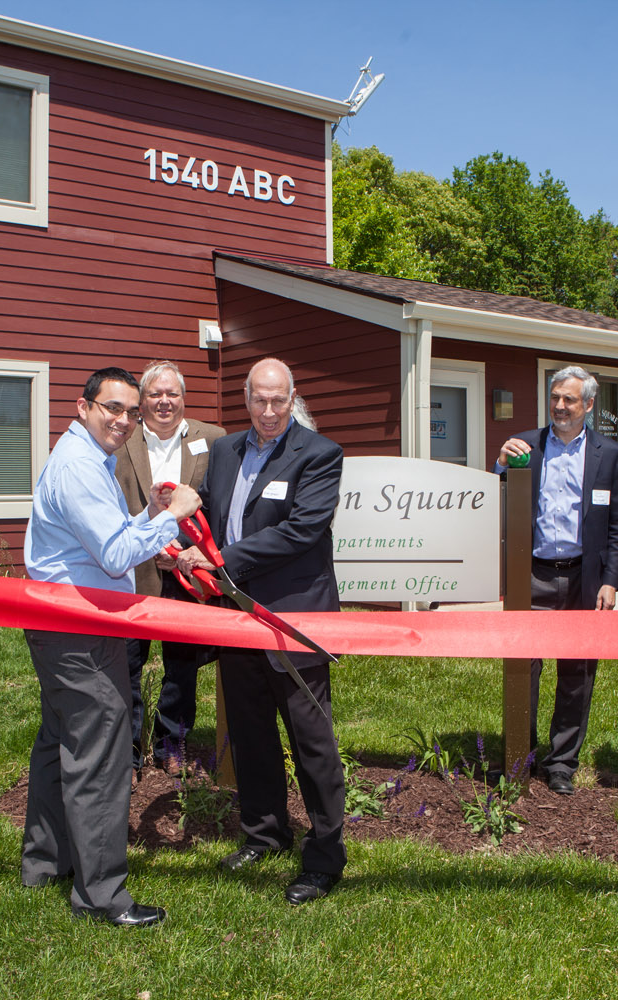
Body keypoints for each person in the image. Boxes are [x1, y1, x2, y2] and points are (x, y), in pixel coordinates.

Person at [20, 366, 202, 928]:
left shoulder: (85, 459)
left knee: (59, 741)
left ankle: (45, 864)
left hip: (63, 622)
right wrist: (173, 517)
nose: (123, 420)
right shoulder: (78, 465)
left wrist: (145, 517)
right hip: (78, 629)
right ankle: (102, 897)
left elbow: (105, 538)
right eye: (112, 409)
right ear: (83, 407)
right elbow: (115, 556)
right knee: (101, 749)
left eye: (131, 411)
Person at [176, 358, 346, 905]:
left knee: (311, 741)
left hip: (295, 620)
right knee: (249, 733)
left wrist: (220, 560)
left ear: (292, 398)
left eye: (279, 401)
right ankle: (265, 833)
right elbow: (208, 513)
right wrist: (187, 549)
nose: (269, 412)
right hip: (235, 618)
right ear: (245, 399)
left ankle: (324, 857)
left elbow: (302, 531)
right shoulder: (223, 452)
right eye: (259, 400)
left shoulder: (320, 455)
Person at [495, 366, 618, 795]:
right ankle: (520, 755)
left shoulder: (610, 454)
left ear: (589, 405)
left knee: (576, 672)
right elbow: (496, 493)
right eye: (555, 397)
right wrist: (499, 465)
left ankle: (561, 764)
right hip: (530, 575)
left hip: (583, 578)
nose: (559, 406)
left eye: (569, 399)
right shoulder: (526, 446)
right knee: (523, 667)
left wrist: (611, 581)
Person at [113, 360, 226, 773]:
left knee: (182, 666)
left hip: (188, 571)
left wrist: (187, 553)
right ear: (142, 401)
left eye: (172, 394)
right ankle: (126, 750)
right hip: (131, 572)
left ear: (183, 398)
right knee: (126, 664)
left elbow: (218, 503)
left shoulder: (213, 440)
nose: (164, 402)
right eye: (155, 394)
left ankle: (171, 747)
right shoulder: (119, 437)